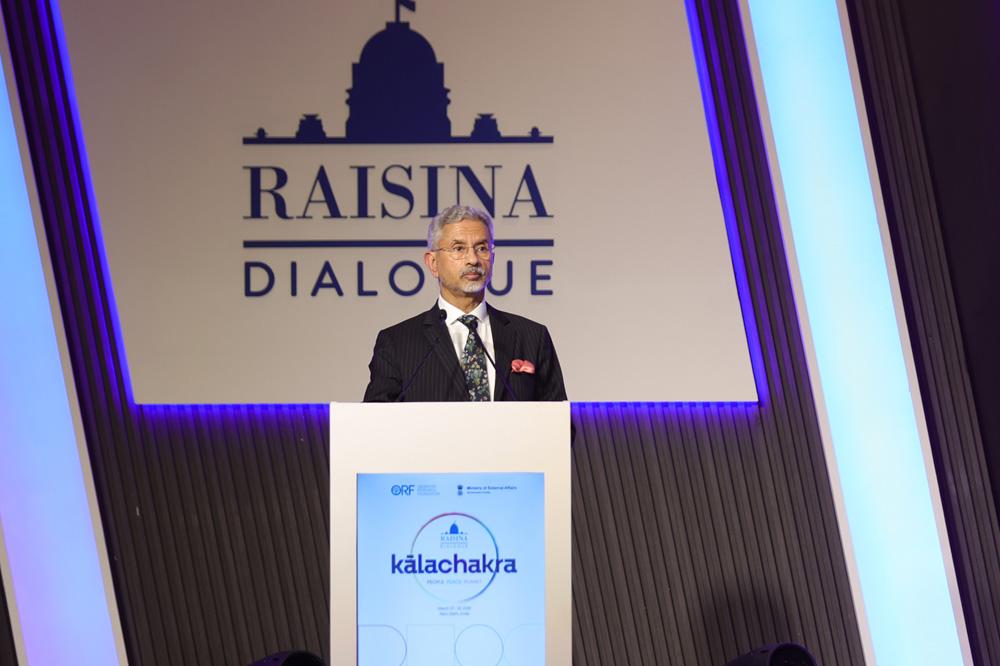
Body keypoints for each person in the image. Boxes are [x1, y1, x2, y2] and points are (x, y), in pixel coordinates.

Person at [363, 204, 567, 402]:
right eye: (458, 248)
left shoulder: (532, 337)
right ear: (433, 263)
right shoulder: (397, 343)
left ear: (492, 258)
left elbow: (560, 419)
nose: (473, 259)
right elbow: (373, 420)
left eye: (482, 248)